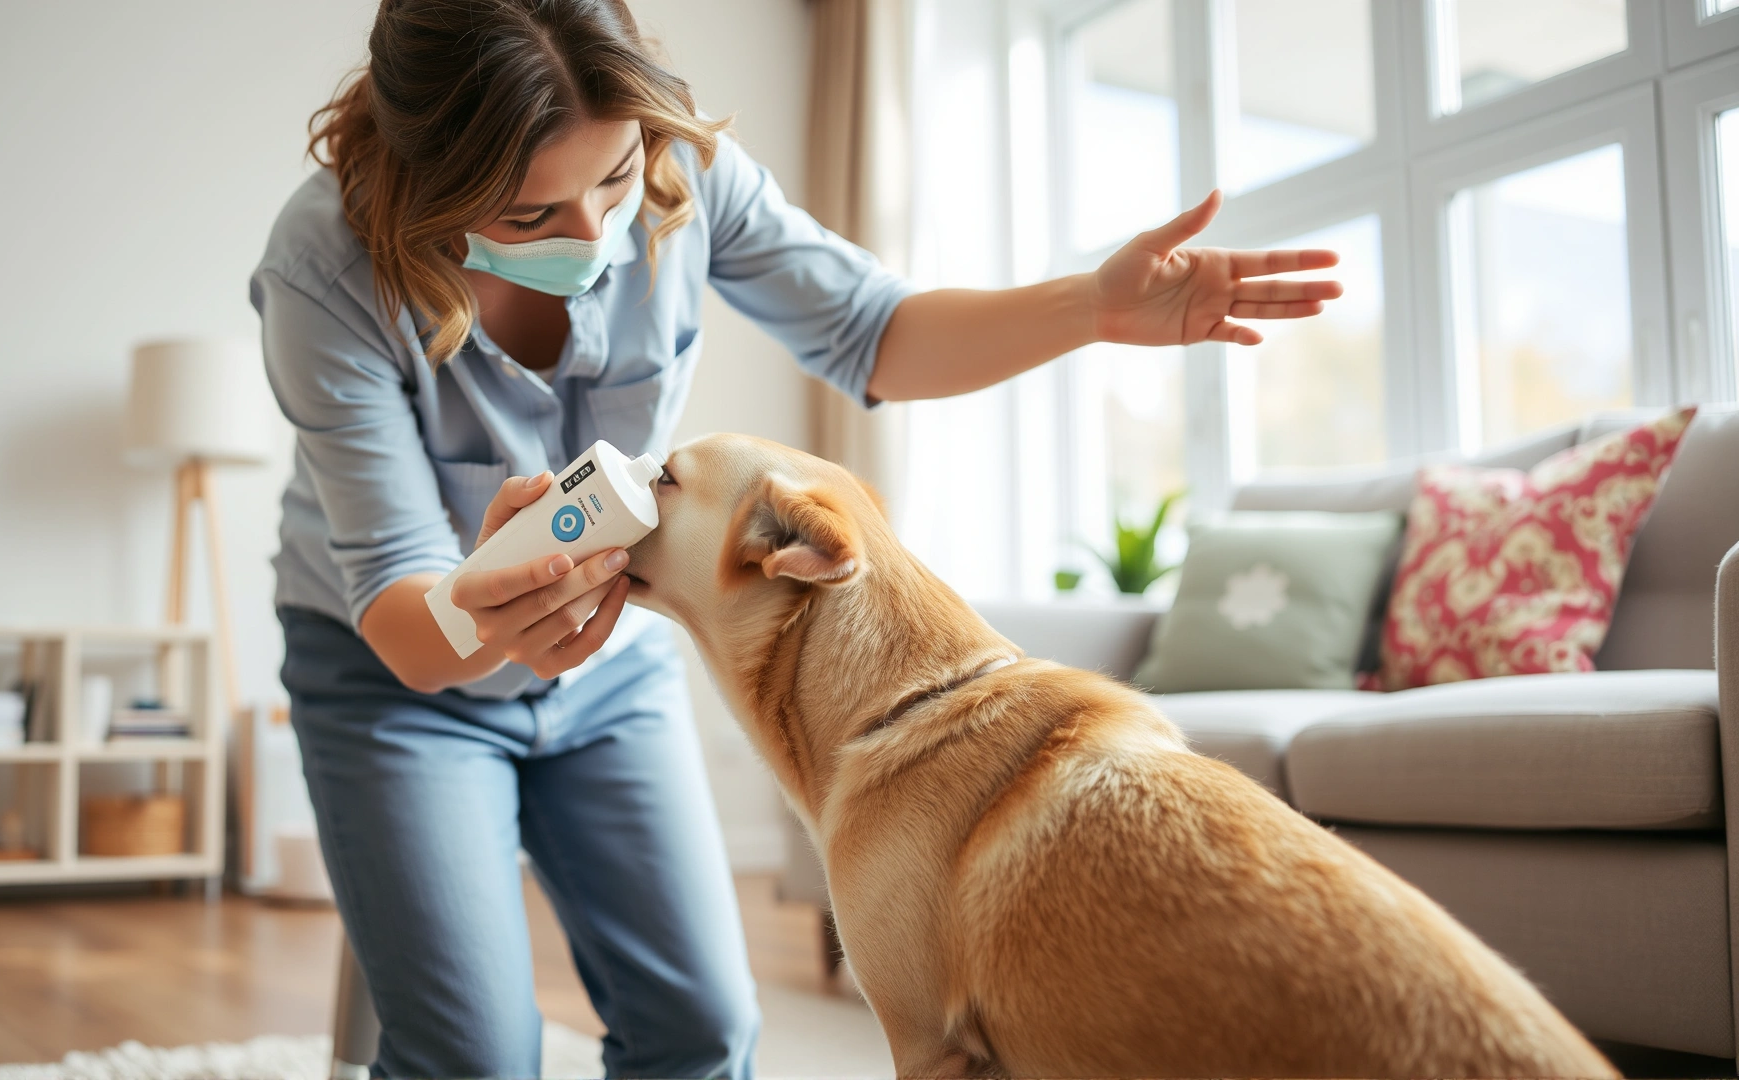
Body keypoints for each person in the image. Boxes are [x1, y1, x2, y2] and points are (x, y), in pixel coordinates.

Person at [251, 1, 1340, 1076]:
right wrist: (486, 612)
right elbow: (402, 597)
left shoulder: (688, 171)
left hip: (608, 669)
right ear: (429, 183)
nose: (595, 238)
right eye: (532, 217)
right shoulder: (326, 264)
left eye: (616, 180)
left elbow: (875, 331)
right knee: (473, 1061)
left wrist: (1088, 308)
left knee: (707, 1035)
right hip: (401, 683)